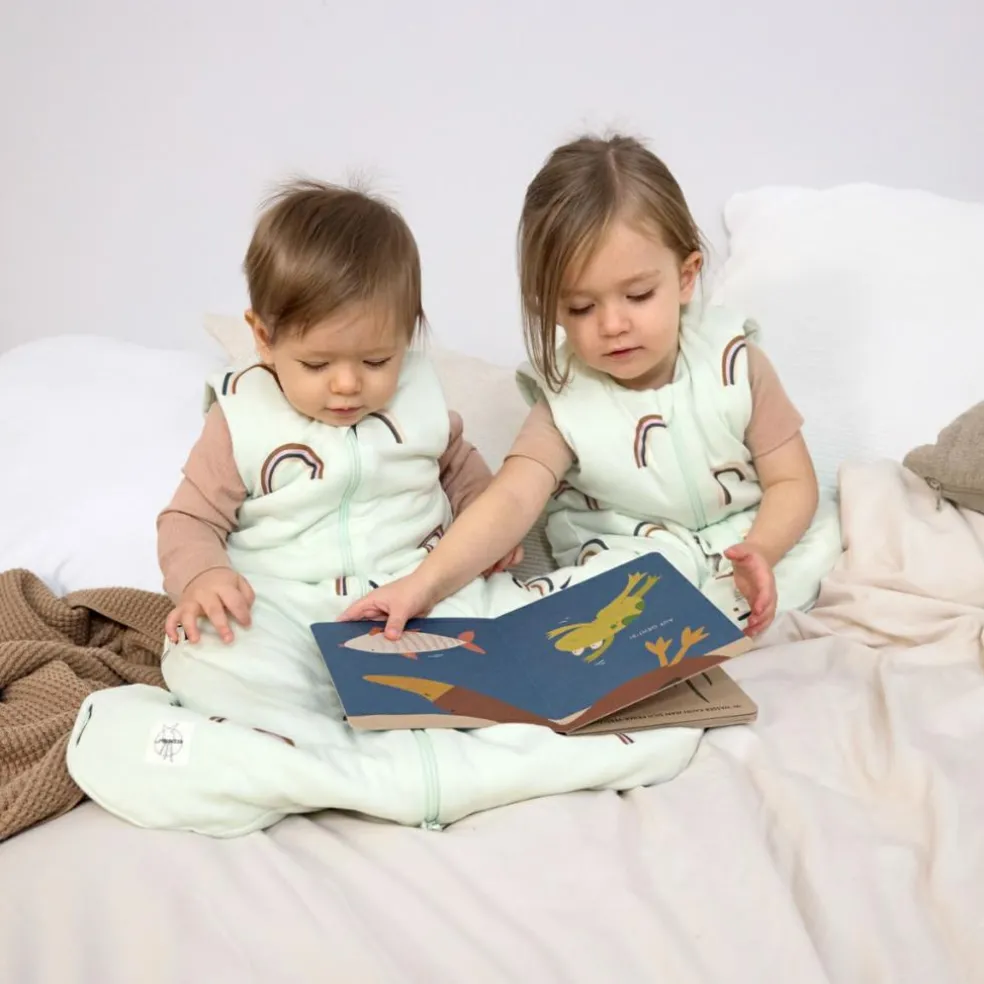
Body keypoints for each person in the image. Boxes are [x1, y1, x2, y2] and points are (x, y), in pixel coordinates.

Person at [341, 134, 842, 639]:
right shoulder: (565, 400)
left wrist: (761, 550)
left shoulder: (734, 361)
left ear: (686, 276)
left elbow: (792, 482)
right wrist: (423, 585)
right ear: (551, 307)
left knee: (827, 546)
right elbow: (510, 500)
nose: (612, 325)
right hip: (638, 566)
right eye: (581, 307)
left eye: (638, 295)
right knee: (580, 608)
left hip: (752, 541)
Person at [156, 178, 523, 725]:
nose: (348, 384)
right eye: (317, 364)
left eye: (376, 361)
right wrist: (202, 578)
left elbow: (463, 471)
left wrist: (488, 527)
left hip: (417, 596)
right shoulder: (241, 418)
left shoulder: (420, 403)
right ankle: (313, 729)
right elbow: (187, 520)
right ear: (263, 337)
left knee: (520, 626)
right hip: (287, 610)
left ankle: (424, 715)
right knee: (204, 654)